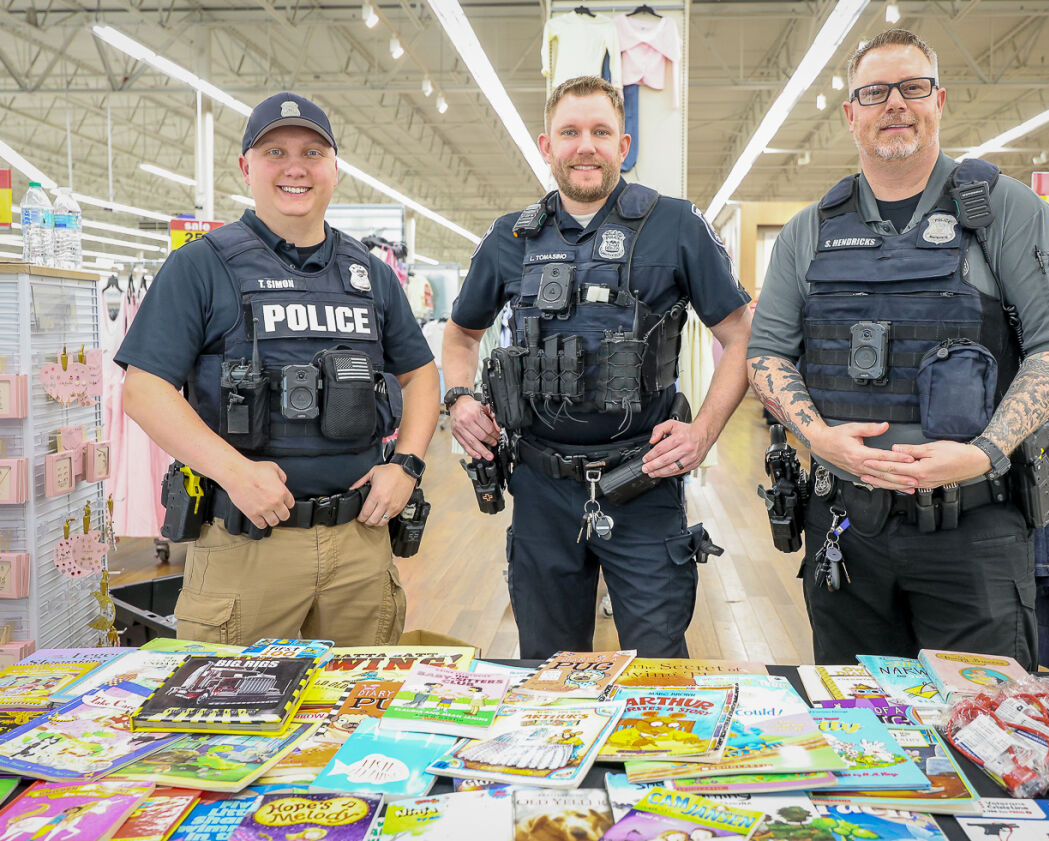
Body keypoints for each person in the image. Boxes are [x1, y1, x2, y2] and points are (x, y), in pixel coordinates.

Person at [747, 30, 1049, 670]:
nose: (895, 105)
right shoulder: (810, 231)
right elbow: (766, 355)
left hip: (973, 528)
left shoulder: (1003, 211)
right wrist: (816, 437)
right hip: (846, 525)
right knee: (857, 729)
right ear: (851, 112)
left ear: (940, 101)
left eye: (912, 88)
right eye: (875, 92)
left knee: (983, 729)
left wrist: (982, 451)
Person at [442, 76, 752, 660]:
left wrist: (703, 433)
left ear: (623, 145)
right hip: (538, 486)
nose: (585, 145)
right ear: (546, 145)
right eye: (570, 132)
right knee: (546, 667)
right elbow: (461, 334)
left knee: (657, 670)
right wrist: (459, 397)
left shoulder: (677, 225)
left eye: (600, 132)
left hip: (644, 483)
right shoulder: (511, 237)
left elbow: (741, 336)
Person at [117, 92, 440, 645]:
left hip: (360, 545)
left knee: (353, 713)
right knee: (224, 719)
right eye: (275, 152)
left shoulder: (371, 274)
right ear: (246, 167)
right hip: (246, 547)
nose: (296, 167)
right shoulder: (200, 266)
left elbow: (422, 374)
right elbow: (144, 390)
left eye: (314, 152)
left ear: (335, 168)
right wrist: (236, 472)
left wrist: (406, 465)